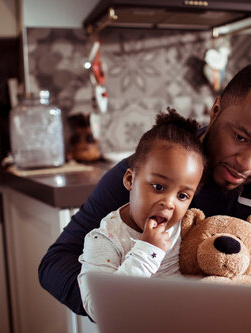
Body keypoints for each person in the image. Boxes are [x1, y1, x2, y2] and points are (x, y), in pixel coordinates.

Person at [39, 63, 251, 317]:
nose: (248, 164)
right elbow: (56, 262)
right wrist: (118, 305)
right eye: (240, 137)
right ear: (216, 110)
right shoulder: (155, 171)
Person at [77, 108, 205, 320]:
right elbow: (99, 308)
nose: (169, 203)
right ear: (129, 180)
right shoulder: (105, 240)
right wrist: (147, 250)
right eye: (158, 186)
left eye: (182, 196)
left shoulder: (184, 229)